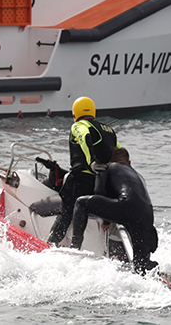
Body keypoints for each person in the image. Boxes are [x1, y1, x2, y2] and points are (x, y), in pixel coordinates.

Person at [70, 147, 159, 274]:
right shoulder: (138, 175)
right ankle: (154, 274)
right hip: (146, 216)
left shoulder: (108, 167)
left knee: (81, 202)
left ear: (111, 160)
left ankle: (75, 247)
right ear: (129, 162)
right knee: (141, 265)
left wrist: (106, 220)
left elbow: (99, 192)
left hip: (126, 206)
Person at [46, 96, 120, 245]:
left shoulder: (79, 125)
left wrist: (91, 161)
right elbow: (120, 154)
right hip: (102, 184)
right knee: (84, 208)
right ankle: (82, 245)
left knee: (67, 211)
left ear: (75, 113)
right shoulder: (109, 130)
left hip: (81, 179)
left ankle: (51, 243)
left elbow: (84, 137)